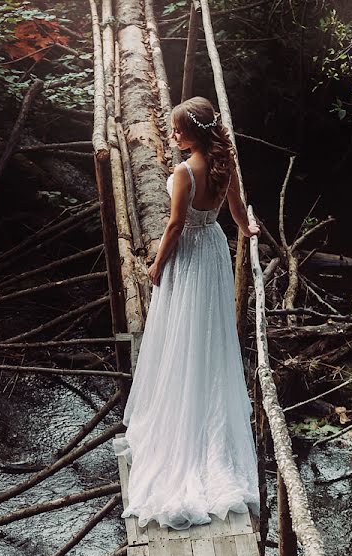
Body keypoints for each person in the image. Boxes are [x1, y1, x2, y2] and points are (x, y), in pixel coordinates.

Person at [112, 96, 261, 530]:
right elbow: (235, 213)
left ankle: (179, 425)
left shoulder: (183, 172)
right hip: (214, 249)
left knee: (181, 331)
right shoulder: (222, 165)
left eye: (177, 130)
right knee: (208, 332)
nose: (172, 136)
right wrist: (247, 228)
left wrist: (158, 264)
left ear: (193, 133)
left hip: (190, 254)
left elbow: (175, 226)